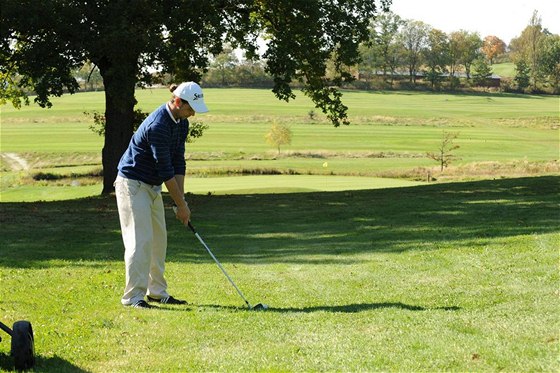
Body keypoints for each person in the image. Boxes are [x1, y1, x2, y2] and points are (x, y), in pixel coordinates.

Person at [114, 82, 209, 308]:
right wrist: (181, 205)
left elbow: (178, 162)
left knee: (159, 241)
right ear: (177, 102)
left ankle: (156, 292)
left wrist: (181, 202)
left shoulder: (181, 123)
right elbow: (165, 169)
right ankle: (133, 297)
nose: (193, 113)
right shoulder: (159, 125)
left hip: (152, 185)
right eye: (190, 108)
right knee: (140, 241)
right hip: (132, 184)